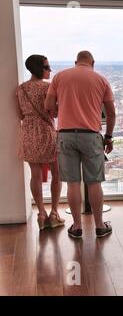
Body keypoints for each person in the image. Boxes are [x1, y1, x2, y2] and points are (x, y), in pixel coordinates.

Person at [44, 51, 116, 239]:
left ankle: (76, 226)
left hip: (66, 135)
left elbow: (49, 105)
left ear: (75, 62)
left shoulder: (59, 77)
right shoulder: (101, 80)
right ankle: (100, 226)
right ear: (92, 62)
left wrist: (64, 111)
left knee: (73, 183)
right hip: (91, 136)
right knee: (94, 182)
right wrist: (108, 137)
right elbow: (111, 113)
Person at [16, 55, 64, 231]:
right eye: (47, 67)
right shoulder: (48, 88)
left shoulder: (21, 89)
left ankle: (41, 214)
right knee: (57, 174)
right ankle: (54, 213)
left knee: (35, 175)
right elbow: (55, 112)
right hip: (47, 132)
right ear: (38, 68)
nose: (50, 70)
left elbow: (20, 114)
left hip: (28, 133)